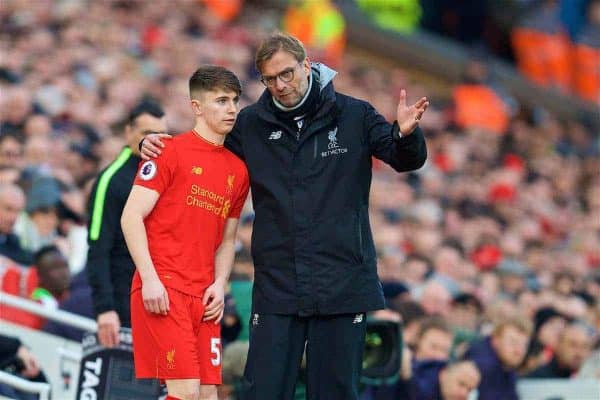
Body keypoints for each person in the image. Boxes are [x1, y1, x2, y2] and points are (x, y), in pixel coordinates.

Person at [141, 32, 428, 399]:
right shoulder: (250, 124)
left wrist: (406, 134)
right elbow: (201, 154)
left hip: (342, 281)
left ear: (307, 66)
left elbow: (404, 158)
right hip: (278, 284)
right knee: (263, 390)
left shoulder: (354, 114)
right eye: (270, 79)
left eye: (287, 74)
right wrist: (153, 146)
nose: (280, 85)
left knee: (335, 392)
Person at [121, 65, 249, 400]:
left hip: (204, 297)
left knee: (208, 395)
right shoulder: (167, 151)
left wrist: (220, 285)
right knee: (187, 393)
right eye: (221, 101)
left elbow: (227, 240)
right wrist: (149, 278)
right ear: (196, 107)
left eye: (235, 100)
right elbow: (131, 216)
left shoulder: (238, 170)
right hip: (164, 288)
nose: (232, 108)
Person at [86, 100, 167, 347]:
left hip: (161, 294)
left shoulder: (166, 171)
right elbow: (98, 248)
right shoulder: (110, 181)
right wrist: (105, 308)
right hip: (125, 299)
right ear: (129, 132)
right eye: (146, 133)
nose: (154, 140)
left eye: (160, 134)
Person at [463, 316, 532, 400]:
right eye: (513, 342)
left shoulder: (506, 364)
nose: (519, 350)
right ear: (495, 340)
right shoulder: (484, 366)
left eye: (524, 345)